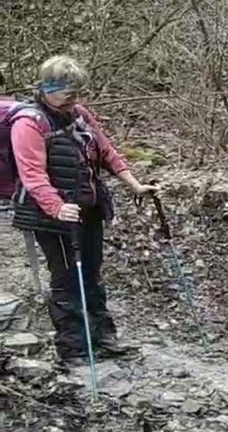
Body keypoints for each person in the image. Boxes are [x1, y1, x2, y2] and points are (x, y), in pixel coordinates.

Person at [10, 55, 157, 365]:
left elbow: (107, 151)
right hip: (50, 217)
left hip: (88, 210)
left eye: (77, 94)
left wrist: (135, 184)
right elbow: (32, 175)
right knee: (65, 278)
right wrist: (58, 207)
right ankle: (74, 349)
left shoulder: (80, 115)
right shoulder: (28, 124)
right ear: (48, 89)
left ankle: (103, 339)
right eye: (68, 94)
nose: (74, 101)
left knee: (91, 274)